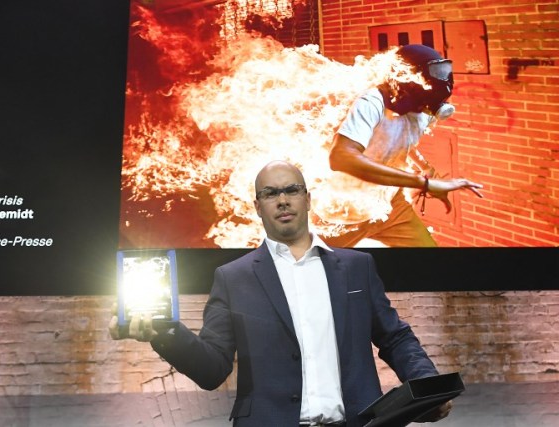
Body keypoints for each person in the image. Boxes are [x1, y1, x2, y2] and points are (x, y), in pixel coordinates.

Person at [110, 160, 453, 426]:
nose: (283, 200)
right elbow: (212, 370)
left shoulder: (356, 266)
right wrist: (164, 333)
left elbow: (395, 337)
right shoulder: (233, 278)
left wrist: (426, 385)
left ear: (307, 199)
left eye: (291, 190)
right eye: (270, 193)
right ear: (257, 206)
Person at [326, 44, 483, 247]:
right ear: (408, 78)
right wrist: (423, 183)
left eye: (444, 70)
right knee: (319, 270)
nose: (442, 79)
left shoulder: (424, 112)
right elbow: (341, 157)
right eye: (436, 72)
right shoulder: (372, 102)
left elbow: (400, 141)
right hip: (344, 211)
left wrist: (427, 170)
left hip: (390, 204)